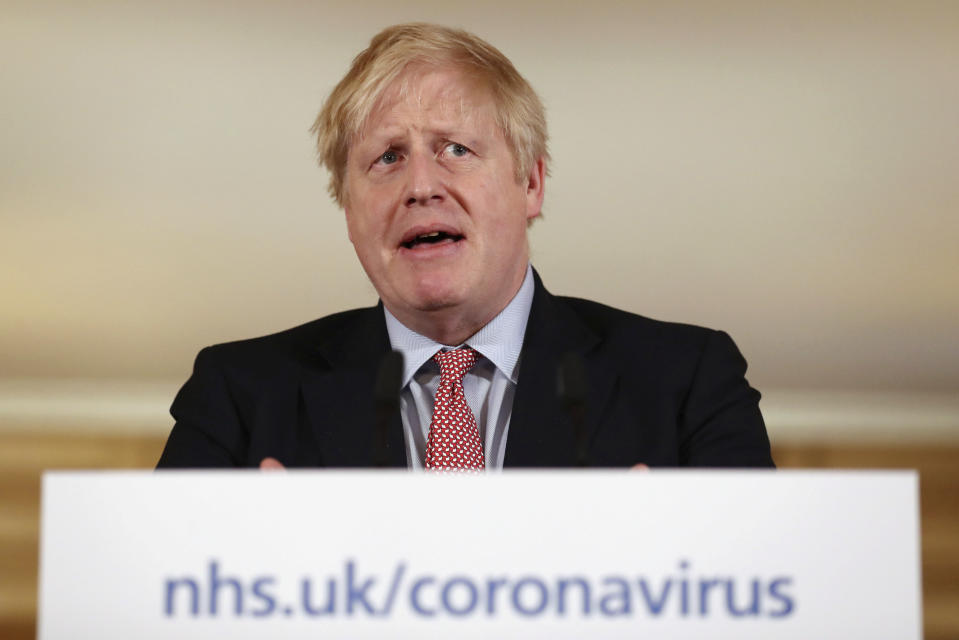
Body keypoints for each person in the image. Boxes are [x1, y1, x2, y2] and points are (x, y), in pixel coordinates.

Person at [157, 23, 773, 470]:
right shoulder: (237, 396)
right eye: (387, 157)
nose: (421, 185)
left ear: (530, 182)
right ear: (348, 211)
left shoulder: (687, 382)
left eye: (456, 149)